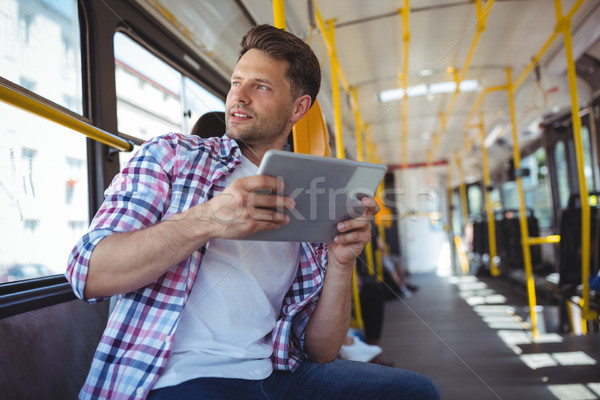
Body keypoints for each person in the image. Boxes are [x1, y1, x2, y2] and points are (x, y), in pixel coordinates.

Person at [66, 24, 439, 400]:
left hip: (274, 373)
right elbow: (87, 274)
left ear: (299, 108)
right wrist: (208, 219)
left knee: (415, 392)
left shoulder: (309, 190)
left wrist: (342, 263)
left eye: (260, 86)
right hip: (174, 376)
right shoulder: (172, 156)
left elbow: (322, 350)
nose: (238, 96)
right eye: (235, 82)